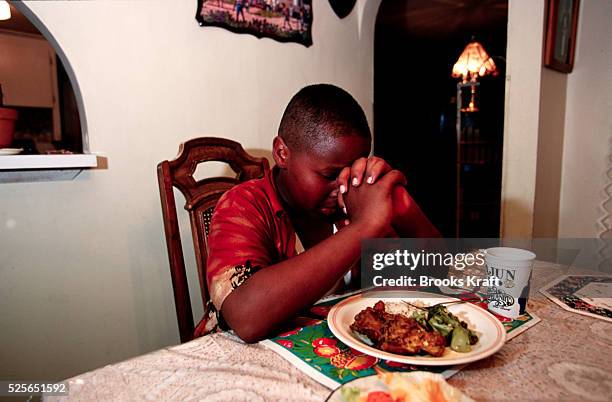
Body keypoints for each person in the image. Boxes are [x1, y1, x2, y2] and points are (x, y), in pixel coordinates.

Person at [196, 84, 440, 342]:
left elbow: (437, 272)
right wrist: (364, 227)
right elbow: (246, 317)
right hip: (233, 359)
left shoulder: (354, 200)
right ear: (282, 153)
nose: (343, 184)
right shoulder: (242, 204)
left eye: (353, 168)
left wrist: (401, 204)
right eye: (330, 175)